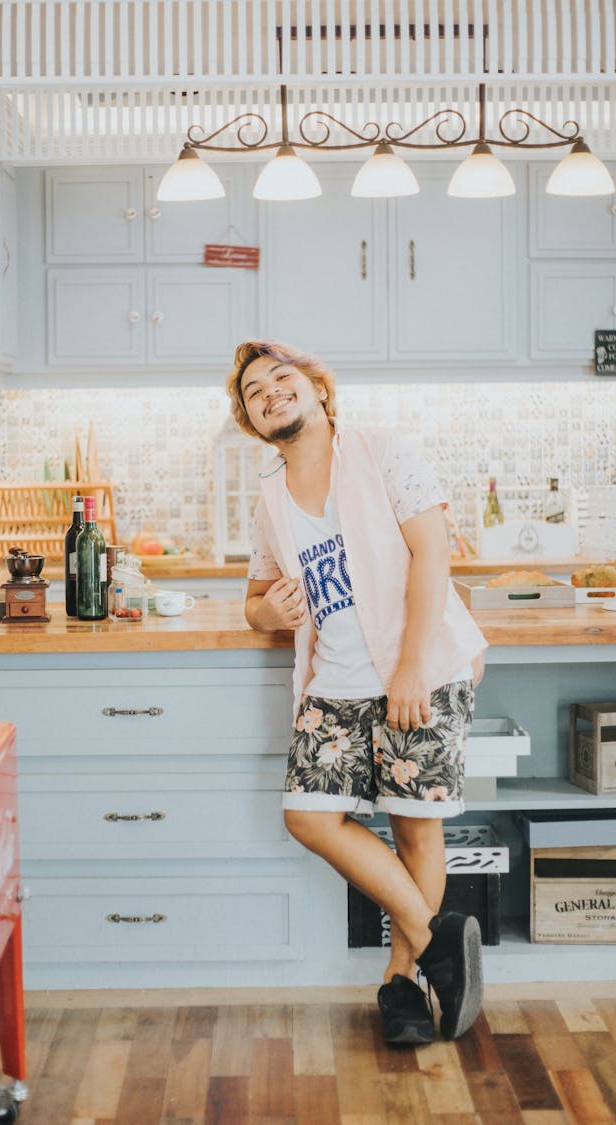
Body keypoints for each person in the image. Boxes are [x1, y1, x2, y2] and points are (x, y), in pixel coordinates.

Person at [226, 339, 488, 1045]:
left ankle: (400, 985)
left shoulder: (382, 450)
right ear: (251, 420)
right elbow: (253, 599)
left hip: (419, 667)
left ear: (317, 388)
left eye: (282, 378)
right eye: (255, 392)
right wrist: (267, 613)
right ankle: (440, 938)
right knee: (308, 816)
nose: (271, 393)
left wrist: (408, 669)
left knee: (413, 827)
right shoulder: (272, 498)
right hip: (334, 681)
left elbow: (433, 551)